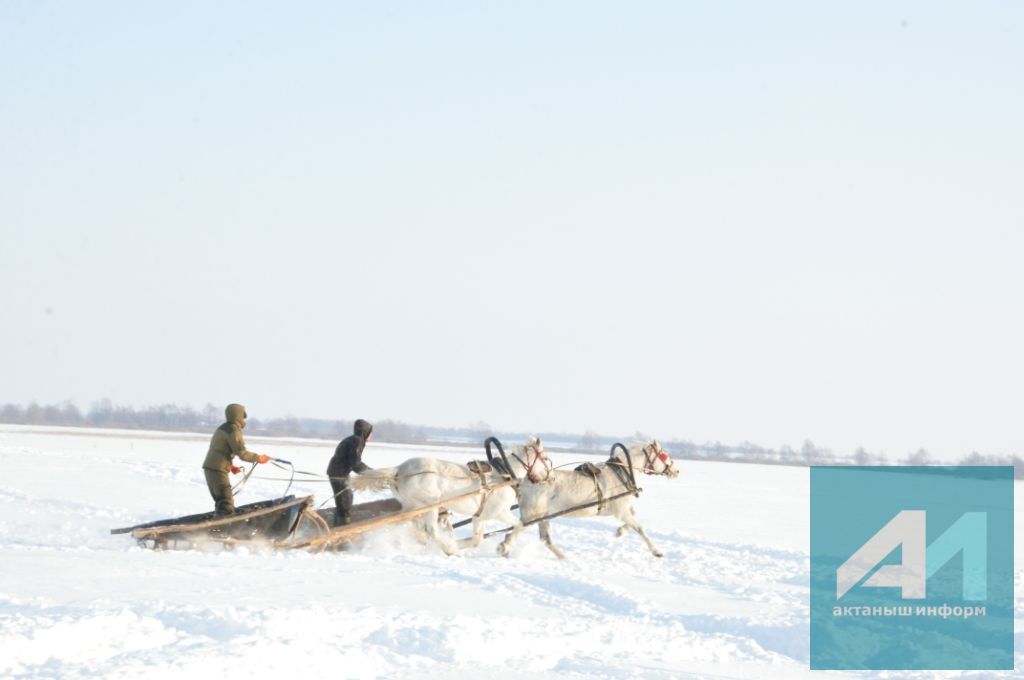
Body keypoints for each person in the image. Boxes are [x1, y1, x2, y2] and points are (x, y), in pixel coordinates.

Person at [202, 403, 271, 515]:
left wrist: (231, 466)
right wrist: (258, 458)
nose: (244, 419)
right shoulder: (233, 430)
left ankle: (218, 525)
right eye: (243, 416)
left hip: (212, 468)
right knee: (226, 503)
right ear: (238, 415)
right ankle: (221, 530)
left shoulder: (223, 427)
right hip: (217, 470)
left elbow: (221, 450)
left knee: (222, 501)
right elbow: (242, 453)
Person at [326, 419, 373, 524]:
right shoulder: (357, 441)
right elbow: (355, 463)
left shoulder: (354, 439)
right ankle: (342, 528)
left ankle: (338, 524)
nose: (371, 435)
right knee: (345, 502)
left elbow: (354, 462)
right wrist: (370, 473)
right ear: (365, 432)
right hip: (338, 474)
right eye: (370, 432)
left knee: (345, 500)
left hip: (338, 472)